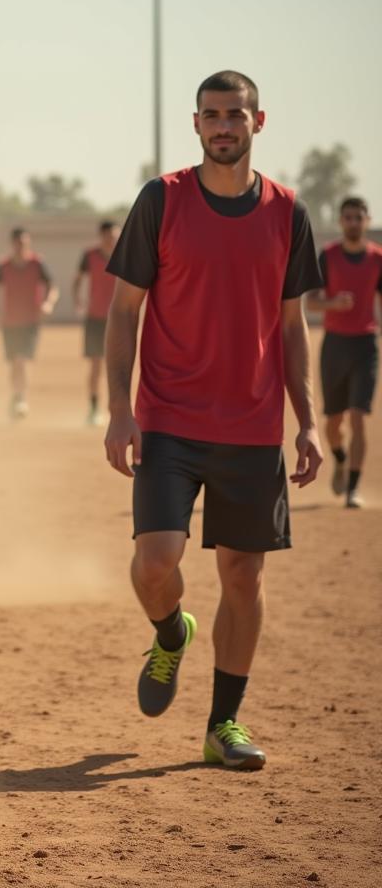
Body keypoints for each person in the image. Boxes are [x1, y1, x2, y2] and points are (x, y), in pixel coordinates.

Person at [104, 71, 323, 771]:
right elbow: (123, 311)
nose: (223, 126)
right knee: (156, 560)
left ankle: (223, 723)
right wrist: (118, 408)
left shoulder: (289, 211)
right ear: (195, 124)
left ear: (259, 122)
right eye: (212, 116)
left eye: (236, 115)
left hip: (254, 428)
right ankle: (170, 633)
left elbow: (293, 329)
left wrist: (308, 421)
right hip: (168, 420)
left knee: (243, 577)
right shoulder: (161, 201)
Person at [307, 197, 381, 508]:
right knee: (333, 424)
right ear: (341, 221)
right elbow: (310, 302)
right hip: (334, 345)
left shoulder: (378, 259)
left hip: (365, 346)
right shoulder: (328, 256)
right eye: (348, 217)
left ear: (367, 220)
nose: (353, 222)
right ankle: (339, 456)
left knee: (358, 417)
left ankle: (352, 489)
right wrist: (333, 304)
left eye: (358, 217)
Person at [0, 228, 57, 418]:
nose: (22, 247)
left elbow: (52, 286)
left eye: (25, 243)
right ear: (13, 244)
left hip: (31, 320)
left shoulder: (38, 263)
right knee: (14, 363)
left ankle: (21, 398)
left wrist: (48, 303)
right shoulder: (3, 265)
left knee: (22, 360)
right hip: (10, 321)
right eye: (19, 243)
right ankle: (16, 395)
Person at [73, 220, 120, 424]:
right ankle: (93, 408)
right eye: (109, 237)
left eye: (115, 236)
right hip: (95, 318)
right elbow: (77, 280)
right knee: (95, 366)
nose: (112, 240)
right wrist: (78, 301)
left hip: (119, 320)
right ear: (101, 236)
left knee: (118, 366)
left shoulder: (126, 254)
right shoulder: (89, 256)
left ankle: (117, 409)